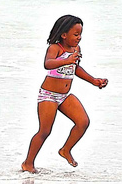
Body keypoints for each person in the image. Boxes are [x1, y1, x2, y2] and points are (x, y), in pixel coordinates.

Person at [20, 15, 108, 172]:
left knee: (83, 122)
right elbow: (48, 64)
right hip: (49, 95)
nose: (79, 38)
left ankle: (65, 149)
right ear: (64, 35)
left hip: (65, 95)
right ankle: (28, 163)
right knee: (45, 131)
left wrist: (93, 80)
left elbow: (76, 68)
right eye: (75, 34)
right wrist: (66, 60)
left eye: (80, 34)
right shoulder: (55, 48)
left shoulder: (76, 50)